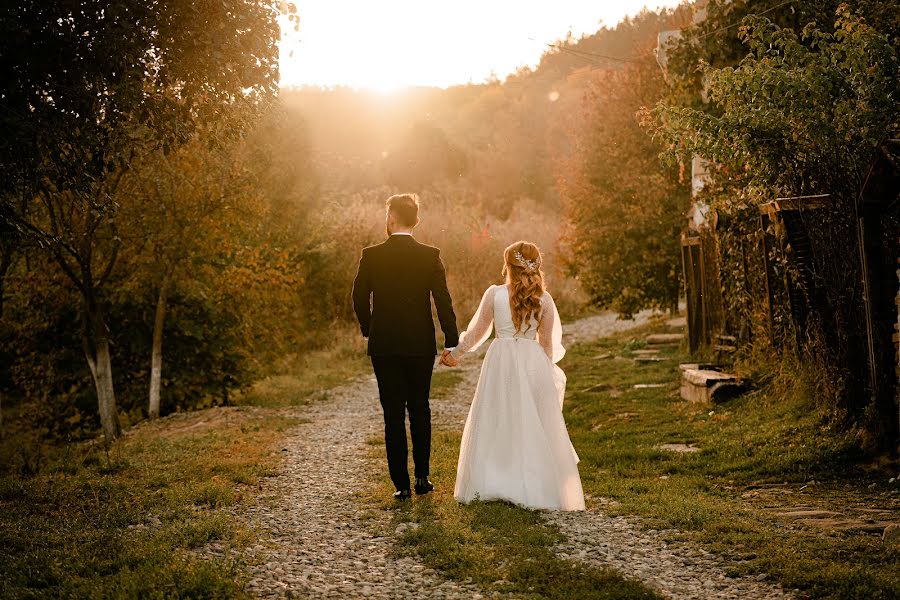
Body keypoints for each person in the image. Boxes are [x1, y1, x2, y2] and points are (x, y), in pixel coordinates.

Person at [442, 241, 585, 511]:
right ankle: (530, 481)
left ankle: (495, 479)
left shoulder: (494, 294)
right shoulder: (545, 299)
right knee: (530, 420)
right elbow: (547, 344)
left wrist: (456, 353)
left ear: (507, 266)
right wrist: (546, 372)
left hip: (500, 361)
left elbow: (477, 333)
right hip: (532, 361)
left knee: (498, 416)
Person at [352, 193, 459, 501]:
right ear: (417, 221)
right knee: (420, 408)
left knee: (393, 414)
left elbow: (358, 297)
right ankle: (423, 477)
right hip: (419, 343)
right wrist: (451, 339)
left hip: (384, 344)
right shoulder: (429, 255)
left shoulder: (372, 255)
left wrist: (368, 327)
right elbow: (443, 300)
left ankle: (401, 485)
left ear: (391, 219)